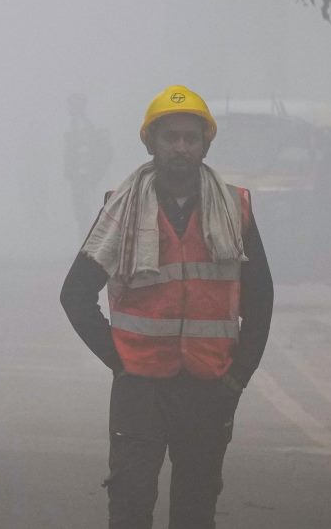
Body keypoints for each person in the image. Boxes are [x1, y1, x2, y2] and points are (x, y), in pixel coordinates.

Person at [60, 85, 273, 529]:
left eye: (190, 138)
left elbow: (260, 299)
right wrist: (118, 359)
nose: (180, 147)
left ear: (204, 144)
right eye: (170, 137)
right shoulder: (119, 208)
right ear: (152, 144)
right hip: (139, 386)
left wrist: (238, 377)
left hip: (209, 386)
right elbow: (76, 294)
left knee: (195, 512)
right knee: (129, 508)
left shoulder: (235, 209)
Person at [64, 93, 114, 232]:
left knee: (94, 212)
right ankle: (86, 244)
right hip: (81, 179)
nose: (70, 108)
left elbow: (102, 152)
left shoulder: (88, 125)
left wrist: (94, 174)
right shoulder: (76, 125)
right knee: (83, 214)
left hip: (92, 178)